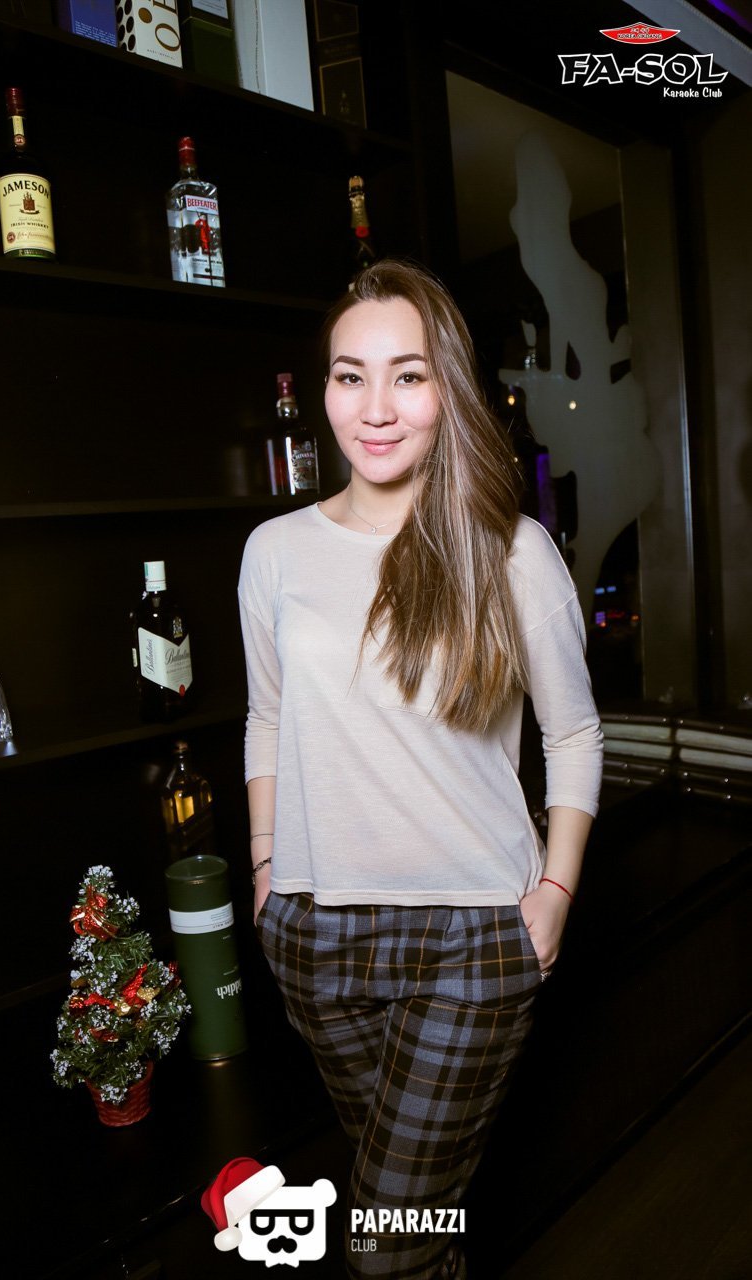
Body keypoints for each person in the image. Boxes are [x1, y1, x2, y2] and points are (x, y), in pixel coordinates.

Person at [238, 260, 603, 1280]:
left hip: (470, 936)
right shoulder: (273, 551)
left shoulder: (511, 550)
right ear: (323, 390)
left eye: (407, 375)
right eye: (349, 376)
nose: (376, 408)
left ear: (447, 388)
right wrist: (266, 871)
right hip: (315, 933)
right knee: (412, 1214)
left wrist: (556, 891)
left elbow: (574, 735)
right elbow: (268, 717)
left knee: (383, 1238)